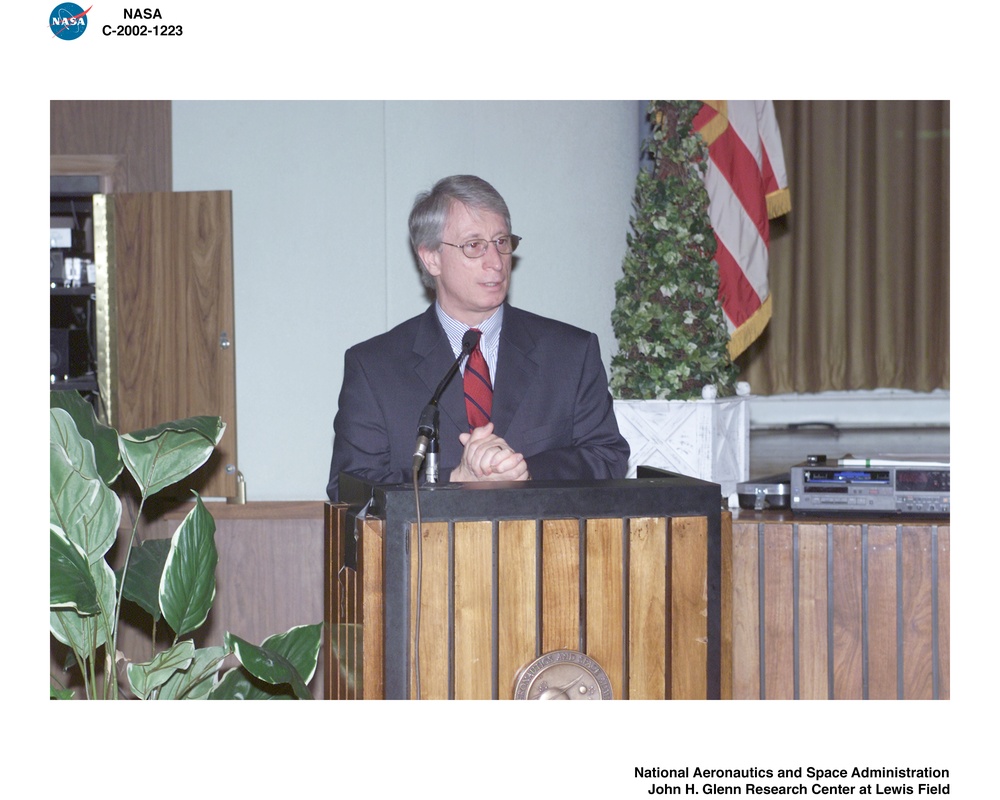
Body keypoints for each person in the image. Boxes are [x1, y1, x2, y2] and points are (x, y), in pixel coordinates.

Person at [326, 174, 629, 501]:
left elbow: (607, 456)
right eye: (474, 246)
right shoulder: (375, 367)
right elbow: (351, 487)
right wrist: (453, 480)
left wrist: (522, 471)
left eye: (501, 242)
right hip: (429, 551)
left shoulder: (570, 353)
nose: (495, 262)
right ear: (431, 257)